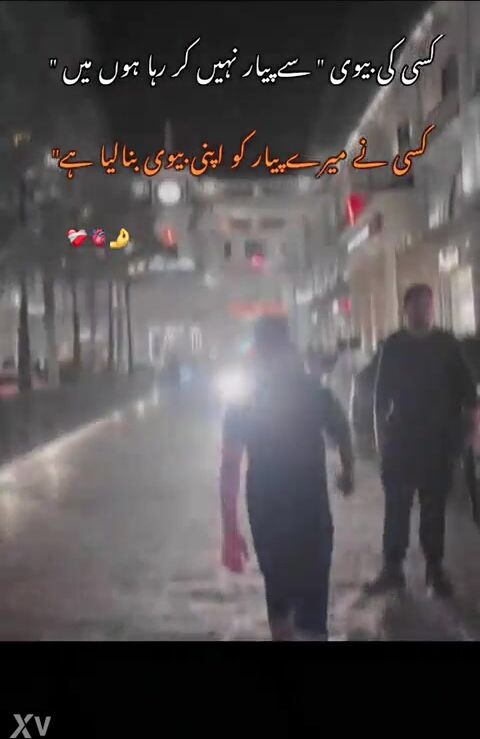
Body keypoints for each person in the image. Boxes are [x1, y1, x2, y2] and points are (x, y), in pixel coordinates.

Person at [219, 316, 355, 640]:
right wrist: (347, 471)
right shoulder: (312, 390)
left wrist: (230, 530)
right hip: (309, 508)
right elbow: (342, 432)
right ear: (289, 347)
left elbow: (230, 467)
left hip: (267, 508)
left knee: (278, 589)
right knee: (311, 594)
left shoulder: (245, 400)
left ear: (256, 351)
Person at [365, 284, 477, 598]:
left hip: (438, 443)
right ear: (406, 309)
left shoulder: (446, 345)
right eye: (417, 305)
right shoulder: (394, 345)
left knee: (434, 510)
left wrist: (470, 436)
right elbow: (380, 400)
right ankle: (393, 569)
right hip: (401, 441)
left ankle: (435, 569)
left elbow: (469, 396)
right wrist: (381, 442)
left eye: (427, 305)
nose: (423, 311)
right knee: (396, 509)